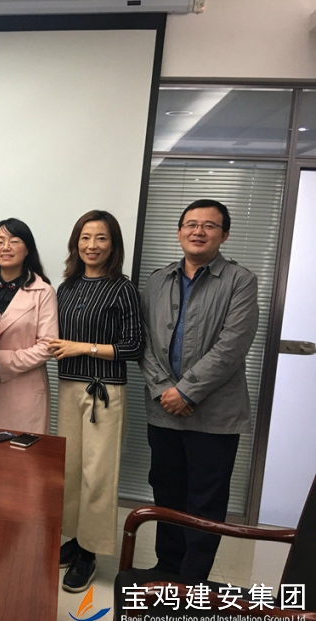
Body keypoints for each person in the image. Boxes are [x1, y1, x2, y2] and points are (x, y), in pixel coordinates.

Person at [140, 199, 258, 580]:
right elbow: (143, 341)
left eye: (209, 225)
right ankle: (167, 569)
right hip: (163, 411)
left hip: (214, 416)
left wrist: (186, 392)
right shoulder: (157, 280)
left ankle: (192, 583)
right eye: (191, 224)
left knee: (206, 501)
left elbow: (233, 345)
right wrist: (165, 390)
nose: (198, 231)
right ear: (179, 232)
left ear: (224, 235)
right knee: (167, 493)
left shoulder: (240, 281)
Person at [48, 210, 143, 593]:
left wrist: (83, 347)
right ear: (76, 242)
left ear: (113, 244)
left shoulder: (123, 288)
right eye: (85, 237)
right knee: (70, 470)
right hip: (68, 387)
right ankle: (74, 538)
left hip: (104, 390)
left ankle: (90, 552)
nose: (92, 245)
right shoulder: (66, 286)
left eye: (101, 238)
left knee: (98, 474)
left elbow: (134, 346)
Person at [0, 218, 58, 433]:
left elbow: (47, 346)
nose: (5, 247)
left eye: (14, 241)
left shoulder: (43, 292)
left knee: (15, 452)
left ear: (27, 249)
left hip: (22, 390)